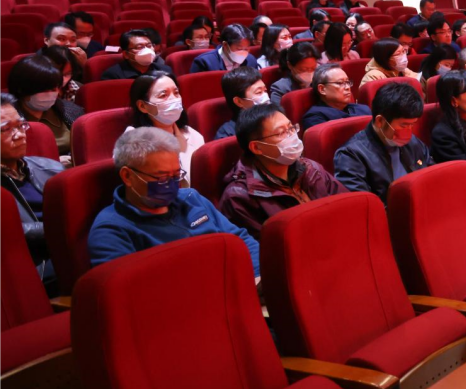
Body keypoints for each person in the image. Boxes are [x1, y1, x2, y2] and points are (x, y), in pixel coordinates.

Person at [87, 127, 259, 274]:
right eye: (162, 178)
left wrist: (257, 277)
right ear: (128, 176)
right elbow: (127, 293)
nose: (172, 184)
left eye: (176, 175)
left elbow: (241, 240)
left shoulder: (192, 198)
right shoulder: (111, 230)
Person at [219, 104, 346, 238]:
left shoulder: (311, 168)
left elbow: (346, 207)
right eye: (281, 133)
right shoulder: (239, 198)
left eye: (291, 128)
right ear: (256, 147)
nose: (292, 136)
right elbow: (266, 247)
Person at [333, 83, 430, 202]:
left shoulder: (412, 142)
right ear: (380, 121)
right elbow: (363, 205)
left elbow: (431, 176)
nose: (409, 131)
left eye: (412, 124)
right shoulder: (351, 155)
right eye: (404, 125)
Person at [1, 93, 62, 274]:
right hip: (31, 266)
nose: (20, 135)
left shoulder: (52, 168)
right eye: (6, 129)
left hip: (67, 248)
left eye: (21, 125)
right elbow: (9, 231)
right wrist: (63, 227)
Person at [125, 74, 203, 182]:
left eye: (176, 93)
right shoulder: (131, 143)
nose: (173, 99)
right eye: (163, 95)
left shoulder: (193, 134)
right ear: (143, 106)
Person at [8, 55, 82, 160]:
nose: (50, 94)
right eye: (44, 90)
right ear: (21, 89)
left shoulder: (71, 111)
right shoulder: (7, 119)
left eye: (54, 89)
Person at [300, 64, 371, 131]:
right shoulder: (315, 117)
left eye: (347, 82)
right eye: (340, 83)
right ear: (322, 89)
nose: (347, 87)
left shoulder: (363, 109)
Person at [214, 65, 269, 140]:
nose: (265, 96)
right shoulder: (227, 134)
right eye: (259, 92)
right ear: (239, 102)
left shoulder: (275, 118)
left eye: (265, 91)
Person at [100, 30, 172, 81]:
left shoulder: (165, 70)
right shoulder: (113, 76)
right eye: (139, 47)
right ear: (126, 54)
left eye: (149, 46)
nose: (146, 50)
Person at [190, 23, 260, 74]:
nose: (243, 53)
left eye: (246, 49)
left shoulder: (251, 60)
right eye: (239, 49)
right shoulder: (204, 63)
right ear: (225, 45)